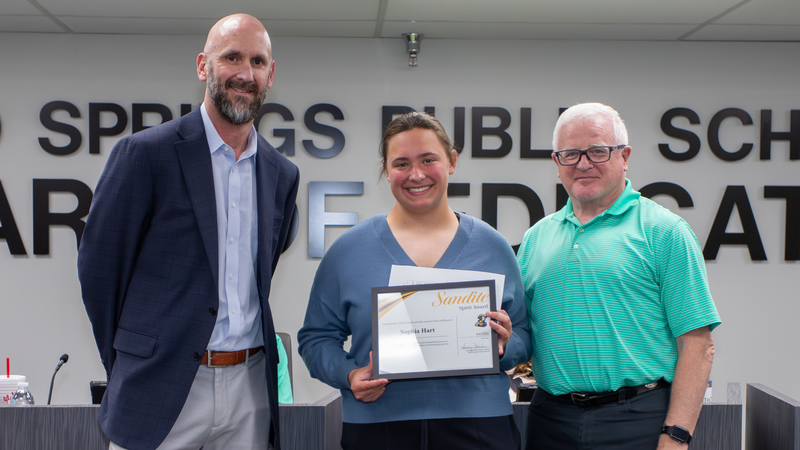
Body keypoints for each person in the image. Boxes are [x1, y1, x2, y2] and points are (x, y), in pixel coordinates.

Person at [78, 14, 299, 450]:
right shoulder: (145, 154)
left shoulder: (282, 173)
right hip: (159, 385)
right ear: (203, 66)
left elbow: (262, 274)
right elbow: (100, 273)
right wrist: (131, 361)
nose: (245, 73)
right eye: (231, 57)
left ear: (270, 74)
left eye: (257, 61)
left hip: (250, 389)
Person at [298, 112, 532, 450]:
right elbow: (316, 338)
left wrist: (506, 343)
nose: (416, 174)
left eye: (428, 160)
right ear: (386, 169)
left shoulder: (492, 246)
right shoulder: (347, 252)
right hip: (378, 425)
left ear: (452, 161)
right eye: (401, 163)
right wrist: (348, 375)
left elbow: (523, 333)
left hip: (480, 423)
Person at [516, 102, 721, 449]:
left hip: (637, 420)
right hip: (550, 420)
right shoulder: (536, 238)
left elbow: (697, 344)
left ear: (624, 156)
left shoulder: (665, 231)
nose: (583, 164)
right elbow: (520, 333)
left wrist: (677, 435)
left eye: (597, 151)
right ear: (556, 163)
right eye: (570, 154)